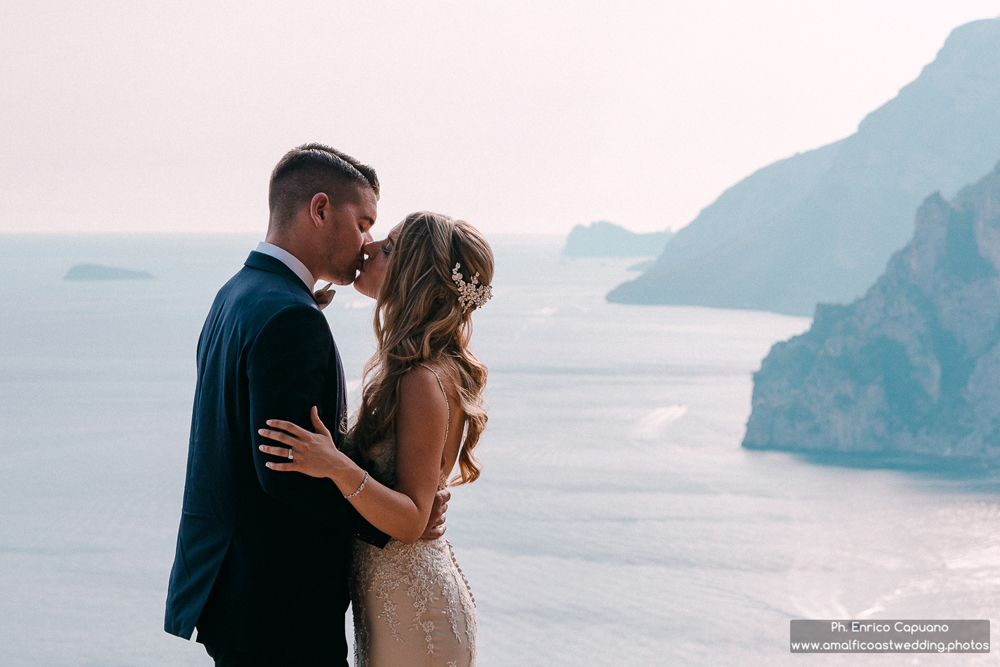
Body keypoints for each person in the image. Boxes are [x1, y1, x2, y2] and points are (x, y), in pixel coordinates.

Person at [163, 144, 449, 667]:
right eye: (364, 222)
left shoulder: (236, 293)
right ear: (320, 210)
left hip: (233, 589)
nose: (368, 242)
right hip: (279, 604)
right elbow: (286, 470)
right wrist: (392, 518)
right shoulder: (291, 317)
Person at [258, 211, 493, 667]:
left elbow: (409, 520)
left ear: (415, 278)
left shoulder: (421, 380)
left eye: (387, 248)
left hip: (415, 612)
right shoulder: (417, 368)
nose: (368, 247)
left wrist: (333, 463)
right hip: (396, 602)